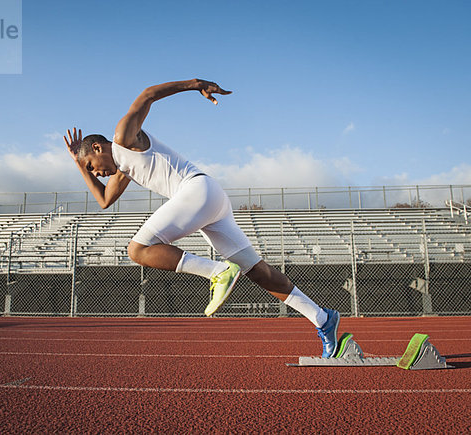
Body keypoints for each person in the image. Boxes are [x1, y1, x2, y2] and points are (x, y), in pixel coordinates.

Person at [64, 78, 340, 357]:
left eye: (91, 166)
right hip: (211, 199)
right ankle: (323, 319)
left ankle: (217, 272)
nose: (96, 173)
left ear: (98, 148)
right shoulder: (124, 169)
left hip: (196, 191)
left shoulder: (124, 137)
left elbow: (147, 95)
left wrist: (196, 84)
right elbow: (104, 200)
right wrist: (80, 165)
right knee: (256, 271)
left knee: (137, 249)